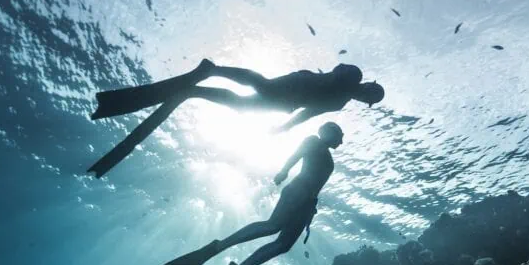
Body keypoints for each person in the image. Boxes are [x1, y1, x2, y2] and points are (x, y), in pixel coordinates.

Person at [118, 121, 345, 265]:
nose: (341, 141)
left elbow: (317, 182)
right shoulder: (313, 140)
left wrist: (309, 210)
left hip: (307, 203)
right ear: (329, 131)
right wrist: (284, 171)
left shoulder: (329, 159)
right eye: (340, 135)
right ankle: (222, 245)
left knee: (283, 245)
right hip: (298, 191)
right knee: (272, 226)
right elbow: (295, 156)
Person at [87, 60, 382, 177]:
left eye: (368, 100)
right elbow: (334, 72)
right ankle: (213, 70)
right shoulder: (351, 76)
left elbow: (310, 113)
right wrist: (340, 81)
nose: (364, 98)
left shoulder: (341, 101)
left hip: (288, 104)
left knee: (243, 104)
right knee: (262, 85)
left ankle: (198, 90)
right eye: (369, 95)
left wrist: (282, 128)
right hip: (294, 87)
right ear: (368, 87)